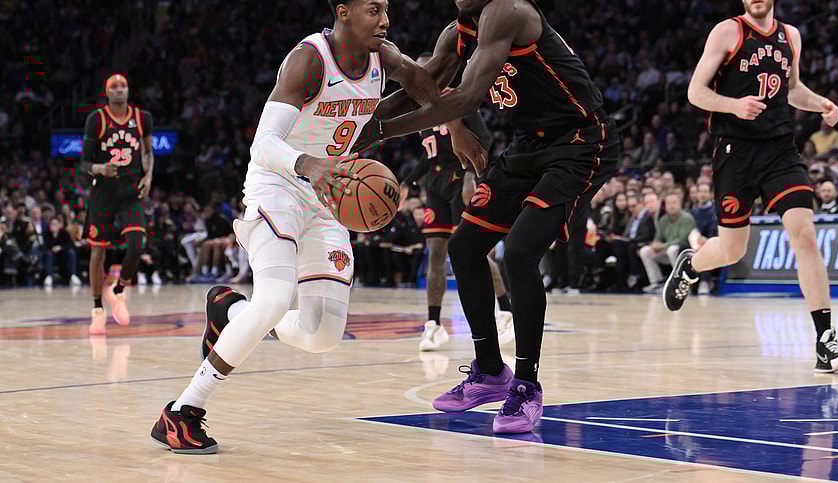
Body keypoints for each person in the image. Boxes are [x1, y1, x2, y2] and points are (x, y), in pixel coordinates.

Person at [151, 0, 484, 454]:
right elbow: (264, 145)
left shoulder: (383, 56)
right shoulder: (309, 60)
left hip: (330, 195)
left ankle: (229, 312)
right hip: (279, 185)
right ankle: (182, 411)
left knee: (322, 334)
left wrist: (455, 124)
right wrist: (311, 165)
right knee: (271, 300)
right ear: (343, 12)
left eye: (386, 9)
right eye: (373, 10)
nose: (385, 20)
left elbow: (424, 84)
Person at [352, 0, 620, 433]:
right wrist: (361, 120)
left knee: (518, 254)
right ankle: (492, 371)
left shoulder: (508, 11)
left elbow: (467, 96)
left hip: (580, 141)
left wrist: (378, 132)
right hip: (528, 144)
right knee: (464, 247)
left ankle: (527, 388)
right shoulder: (456, 31)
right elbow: (426, 85)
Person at [663, 0, 838, 373]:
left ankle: (824, 341)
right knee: (733, 250)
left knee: (804, 235)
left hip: (780, 150)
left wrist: (821, 104)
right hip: (735, 151)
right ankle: (691, 265)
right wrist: (733, 105)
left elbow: (793, 89)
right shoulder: (728, 31)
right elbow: (695, 92)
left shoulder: (791, 36)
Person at [400, 53, 514, 351]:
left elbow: (484, 138)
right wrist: (407, 182)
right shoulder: (423, 109)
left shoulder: (458, 99)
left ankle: (506, 311)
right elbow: (429, 156)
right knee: (435, 253)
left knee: (472, 251)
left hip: (459, 180)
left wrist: (469, 175)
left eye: (425, 69)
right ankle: (434, 324)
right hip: (435, 186)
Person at [79, 73, 154, 334]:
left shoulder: (142, 118)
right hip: (103, 192)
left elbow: (147, 151)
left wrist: (149, 175)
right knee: (97, 252)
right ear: (107, 93)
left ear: (128, 90)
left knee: (137, 245)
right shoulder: (96, 120)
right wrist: (100, 168)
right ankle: (97, 309)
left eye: (123, 86)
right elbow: (84, 163)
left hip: (131, 190)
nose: (120, 90)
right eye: (114, 87)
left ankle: (119, 290)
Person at [640, 192, 696, 293]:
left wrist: (663, 246)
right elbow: (658, 237)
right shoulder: (663, 220)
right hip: (666, 251)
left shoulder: (687, 218)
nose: (671, 206)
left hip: (682, 253)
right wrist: (655, 245)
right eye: (668, 203)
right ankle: (656, 282)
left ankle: (679, 282)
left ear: (680, 204)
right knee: (645, 251)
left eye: (674, 203)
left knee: (672, 249)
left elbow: (682, 239)